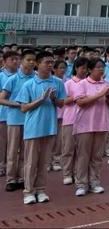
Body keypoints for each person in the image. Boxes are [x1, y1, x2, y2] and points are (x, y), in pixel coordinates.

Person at [16, 51, 66, 205]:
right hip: (33, 128)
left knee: (44, 162)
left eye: (52, 62)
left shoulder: (57, 82)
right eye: (47, 62)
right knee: (31, 162)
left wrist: (53, 99)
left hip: (49, 127)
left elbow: (61, 103)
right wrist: (41, 99)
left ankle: (41, 189)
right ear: (38, 64)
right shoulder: (29, 84)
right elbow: (23, 108)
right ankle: (28, 192)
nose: (50, 65)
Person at [73, 58, 109, 197]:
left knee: (97, 156)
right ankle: (81, 184)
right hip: (84, 124)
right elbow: (80, 102)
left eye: (102, 67)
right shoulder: (82, 84)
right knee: (83, 155)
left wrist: (108, 95)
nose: (101, 70)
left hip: (101, 123)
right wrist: (99, 95)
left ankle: (94, 182)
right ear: (90, 69)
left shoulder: (108, 84)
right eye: (97, 67)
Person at [0, 49, 36, 192]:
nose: (31, 63)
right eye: (28, 60)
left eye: (34, 60)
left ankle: (22, 177)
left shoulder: (37, 78)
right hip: (15, 119)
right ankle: (11, 179)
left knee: (26, 151)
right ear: (23, 61)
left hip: (30, 120)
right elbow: (1, 99)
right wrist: (18, 104)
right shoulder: (13, 79)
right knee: (13, 150)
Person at [60, 56, 88, 186]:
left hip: (86, 120)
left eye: (87, 68)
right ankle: (67, 173)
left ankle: (79, 173)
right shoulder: (68, 84)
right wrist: (76, 97)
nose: (85, 71)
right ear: (76, 68)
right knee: (68, 148)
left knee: (82, 150)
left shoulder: (89, 83)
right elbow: (63, 101)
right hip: (70, 119)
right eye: (82, 68)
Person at [0, 50, 20, 182]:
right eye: (12, 59)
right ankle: (2, 165)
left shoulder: (21, 76)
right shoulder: (1, 76)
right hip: (3, 114)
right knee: (3, 143)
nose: (15, 62)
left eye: (17, 59)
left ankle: (15, 168)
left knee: (16, 145)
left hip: (19, 116)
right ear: (5, 61)